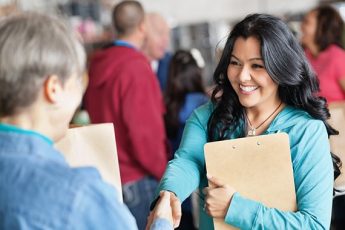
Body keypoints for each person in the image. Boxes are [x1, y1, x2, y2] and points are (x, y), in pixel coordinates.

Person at [147, 13, 342, 229]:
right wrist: (169, 193)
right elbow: (188, 162)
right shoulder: (206, 117)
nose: (242, 76)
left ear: (281, 67)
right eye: (235, 63)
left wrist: (234, 207)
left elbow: (314, 225)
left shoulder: (305, 130)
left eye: (257, 66)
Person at [0, 12, 172, 230]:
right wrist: (162, 221)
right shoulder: (79, 195)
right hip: (137, 181)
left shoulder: (101, 62)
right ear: (54, 89)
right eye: (77, 81)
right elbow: (145, 135)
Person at [83, 1, 168, 229]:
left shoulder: (97, 64)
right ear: (142, 27)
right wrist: (166, 175)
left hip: (110, 177)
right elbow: (144, 135)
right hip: (139, 182)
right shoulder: (135, 67)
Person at [301, 5, 345, 103]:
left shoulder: (338, 57)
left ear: (322, 28)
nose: (301, 26)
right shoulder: (304, 56)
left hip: (335, 116)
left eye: (306, 22)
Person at [143, 12, 171, 92]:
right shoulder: (130, 63)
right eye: (160, 33)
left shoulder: (173, 65)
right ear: (143, 33)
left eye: (167, 34)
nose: (166, 39)